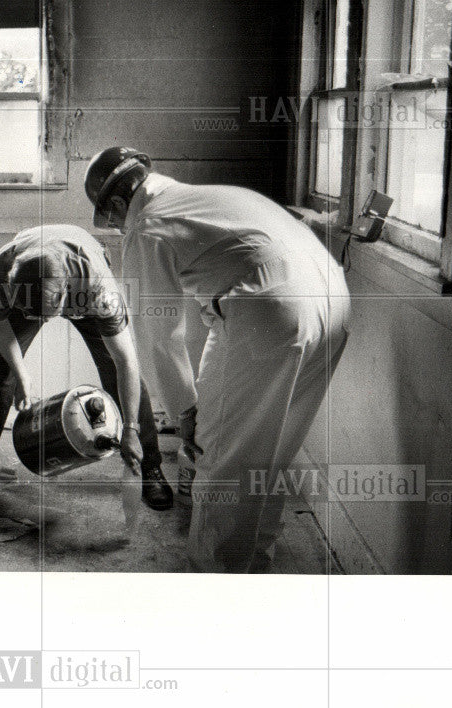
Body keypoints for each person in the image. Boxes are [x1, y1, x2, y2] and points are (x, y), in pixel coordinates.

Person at [84, 146, 351, 573]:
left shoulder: (147, 225)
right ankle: (251, 572)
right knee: (269, 459)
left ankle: (215, 588)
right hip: (333, 300)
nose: (117, 230)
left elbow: (157, 334)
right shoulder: (211, 198)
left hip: (273, 313)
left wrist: (186, 412)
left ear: (118, 203)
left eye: (112, 220)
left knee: (223, 468)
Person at [0, 224, 174, 512]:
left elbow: (126, 362)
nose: (42, 322)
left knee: (112, 366)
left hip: (83, 281)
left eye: (47, 316)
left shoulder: (97, 290)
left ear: (65, 297)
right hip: (33, 273)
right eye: (33, 314)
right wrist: (21, 372)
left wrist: (129, 427)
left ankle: (149, 466)